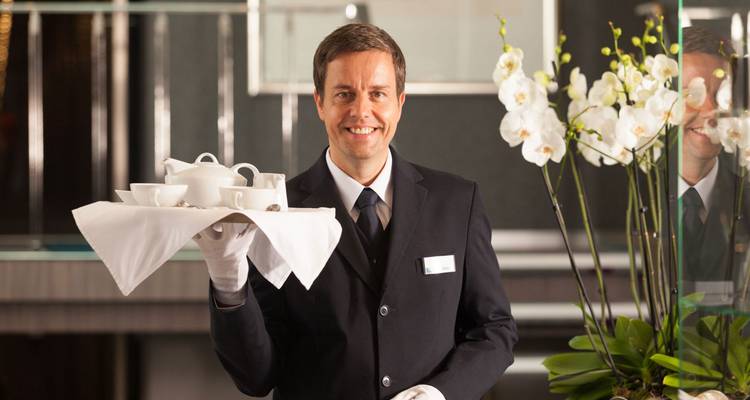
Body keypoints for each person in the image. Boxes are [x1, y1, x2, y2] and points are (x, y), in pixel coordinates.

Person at [195, 23, 517, 400]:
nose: (361, 111)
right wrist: (229, 284)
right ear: (319, 103)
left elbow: (494, 331)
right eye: (344, 94)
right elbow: (257, 376)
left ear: (400, 102)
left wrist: (439, 394)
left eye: (377, 94)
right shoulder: (274, 210)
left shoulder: (457, 203)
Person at [680, 26, 750, 299]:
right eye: (692, 95)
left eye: (721, 95)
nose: (710, 110)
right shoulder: (630, 201)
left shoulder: (745, 198)